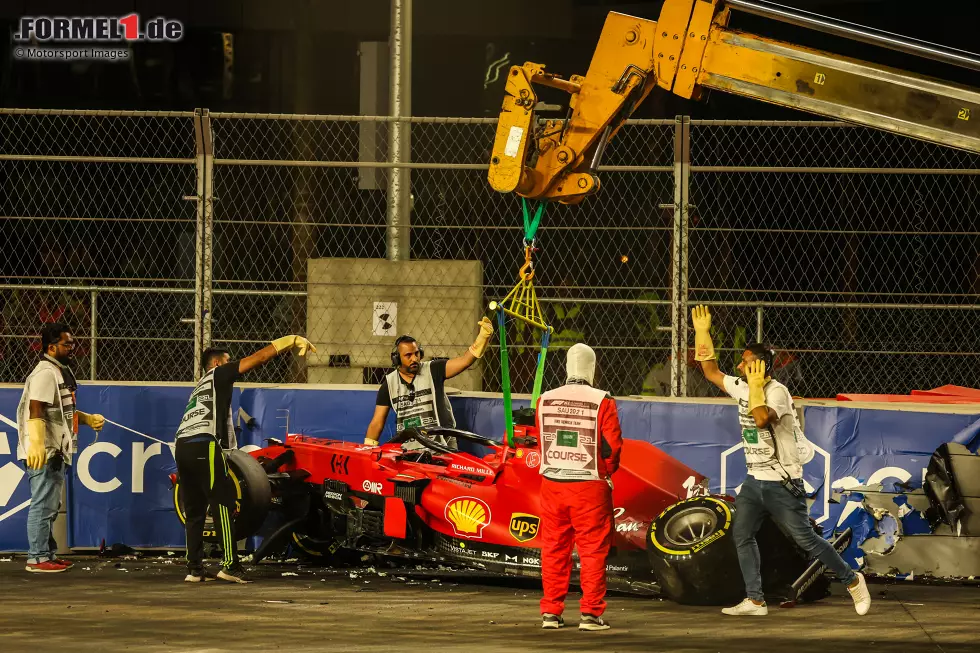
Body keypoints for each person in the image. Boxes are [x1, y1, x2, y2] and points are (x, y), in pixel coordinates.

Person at [691, 304, 871, 616]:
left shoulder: (776, 392)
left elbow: (762, 419)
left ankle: (853, 580)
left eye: (746, 362)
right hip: (754, 481)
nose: (740, 365)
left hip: (782, 483)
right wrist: (702, 333)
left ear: (760, 368)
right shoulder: (743, 386)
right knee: (742, 535)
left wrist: (758, 387)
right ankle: (755, 599)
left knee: (807, 540)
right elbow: (710, 371)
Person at [175, 334, 316, 584]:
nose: (233, 366)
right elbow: (256, 359)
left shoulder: (200, 387)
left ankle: (194, 568)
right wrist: (289, 341)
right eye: (229, 361)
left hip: (182, 445)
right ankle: (230, 565)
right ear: (218, 364)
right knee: (223, 502)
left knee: (195, 510)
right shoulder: (219, 375)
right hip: (203, 443)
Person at [536, 343, 623, 631]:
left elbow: (540, 438)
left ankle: (550, 612)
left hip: (552, 484)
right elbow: (612, 449)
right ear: (592, 368)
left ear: (566, 368)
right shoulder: (603, 400)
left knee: (553, 548)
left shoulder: (545, 398)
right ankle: (590, 615)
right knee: (592, 551)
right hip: (589, 486)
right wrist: (604, 473)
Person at [17, 323, 104, 573]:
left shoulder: (59, 371)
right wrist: (36, 443)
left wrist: (85, 419)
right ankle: (37, 558)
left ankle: (48, 554)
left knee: (51, 506)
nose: (72, 348)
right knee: (43, 505)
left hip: (55, 448)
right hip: (45, 450)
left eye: (72, 344)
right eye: (67, 344)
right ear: (51, 347)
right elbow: (37, 408)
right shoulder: (45, 372)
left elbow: (61, 410)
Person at [363, 318, 495, 447]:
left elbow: (464, 361)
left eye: (417, 353)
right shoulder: (389, 384)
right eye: (408, 355)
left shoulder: (433, 369)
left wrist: (483, 337)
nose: (414, 359)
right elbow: (377, 423)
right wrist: (367, 449)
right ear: (397, 359)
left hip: (442, 447)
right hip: (409, 451)